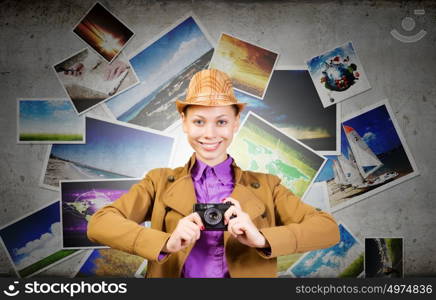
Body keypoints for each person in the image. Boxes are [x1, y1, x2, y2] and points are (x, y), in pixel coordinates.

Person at [87, 69, 340, 278]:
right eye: (199, 121)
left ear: (236, 122)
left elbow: (328, 229)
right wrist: (166, 242)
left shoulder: (268, 186)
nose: (209, 134)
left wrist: (261, 238)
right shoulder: (158, 181)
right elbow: (99, 223)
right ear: (183, 122)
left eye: (221, 121)